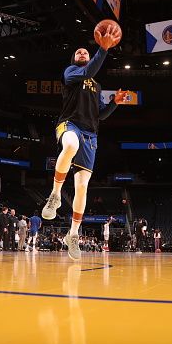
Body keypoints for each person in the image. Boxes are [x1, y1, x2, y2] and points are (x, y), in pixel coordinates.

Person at [41, 24, 124, 261]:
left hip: (91, 134)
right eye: (79, 53)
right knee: (69, 145)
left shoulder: (96, 86)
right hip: (69, 125)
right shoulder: (71, 73)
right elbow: (89, 70)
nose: (82, 54)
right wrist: (103, 50)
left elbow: (101, 115)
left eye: (85, 53)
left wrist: (115, 102)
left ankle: (73, 235)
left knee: (82, 188)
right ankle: (55, 195)